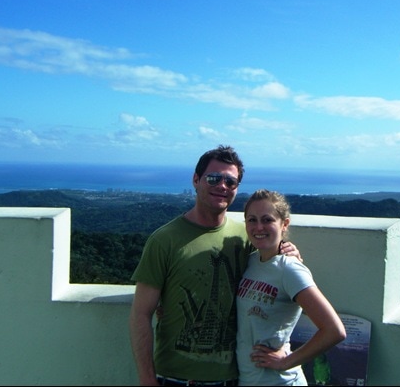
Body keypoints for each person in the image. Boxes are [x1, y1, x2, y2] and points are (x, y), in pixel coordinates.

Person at [129, 145, 301, 386]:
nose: (222, 186)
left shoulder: (247, 237)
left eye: (230, 182)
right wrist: (147, 379)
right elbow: (141, 314)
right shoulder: (164, 240)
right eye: (213, 178)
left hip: (233, 378)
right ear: (196, 180)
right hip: (176, 379)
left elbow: (272, 274)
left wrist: (288, 251)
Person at [236, 189, 346, 386]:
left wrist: (285, 362)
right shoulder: (251, 262)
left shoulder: (290, 269)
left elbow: (334, 330)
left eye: (267, 220)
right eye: (252, 220)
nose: (258, 227)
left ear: (284, 224)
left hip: (280, 381)